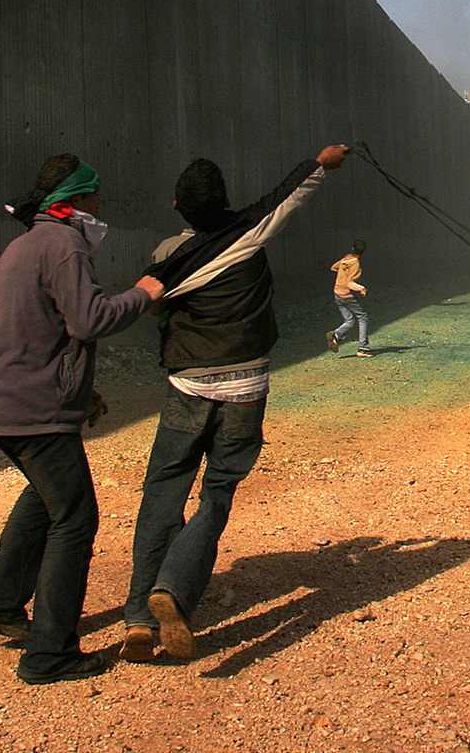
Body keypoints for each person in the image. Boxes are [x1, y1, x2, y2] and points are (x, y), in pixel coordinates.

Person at [120, 144, 350, 663]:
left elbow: (152, 310)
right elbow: (285, 199)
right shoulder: (249, 236)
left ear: (178, 207)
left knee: (162, 492)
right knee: (217, 493)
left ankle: (137, 617)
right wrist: (321, 162)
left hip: (187, 388)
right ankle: (175, 590)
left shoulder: (166, 257)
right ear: (224, 203)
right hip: (246, 389)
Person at [0, 154, 164, 685]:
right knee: (74, 518)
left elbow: (36, 329)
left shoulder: (26, 244)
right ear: (73, 203)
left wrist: (78, 388)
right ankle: (50, 654)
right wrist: (145, 294)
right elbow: (90, 319)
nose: (101, 206)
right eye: (95, 197)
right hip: (31, 409)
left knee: (44, 495)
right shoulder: (65, 245)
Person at [326, 239, 372, 357]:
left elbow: (333, 268)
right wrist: (361, 288)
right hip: (347, 295)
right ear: (364, 252)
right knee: (363, 317)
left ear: (352, 248)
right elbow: (350, 283)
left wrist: (343, 272)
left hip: (337, 293)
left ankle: (336, 335)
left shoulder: (345, 260)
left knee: (349, 320)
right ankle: (363, 348)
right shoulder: (355, 264)